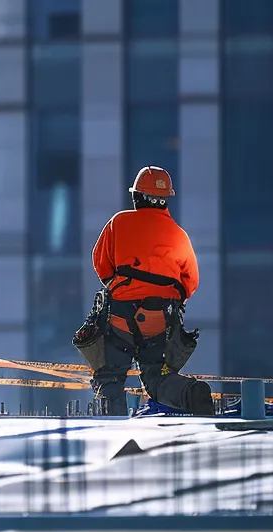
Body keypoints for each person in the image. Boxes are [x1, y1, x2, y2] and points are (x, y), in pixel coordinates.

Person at [84, 165, 213, 416]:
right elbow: (191, 281)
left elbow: (100, 261)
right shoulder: (179, 235)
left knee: (109, 377)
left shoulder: (119, 223)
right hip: (160, 318)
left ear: (137, 196)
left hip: (120, 315)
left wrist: (119, 286)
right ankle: (189, 393)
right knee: (157, 378)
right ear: (165, 200)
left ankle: (113, 432)